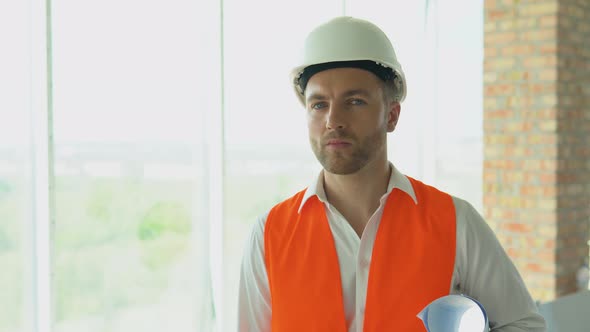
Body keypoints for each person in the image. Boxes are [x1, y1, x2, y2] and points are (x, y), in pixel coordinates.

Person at [237, 16, 546, 331]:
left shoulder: (455, 221)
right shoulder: (268, 235)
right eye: (319, 105)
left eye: (355, 101)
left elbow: (523, 325)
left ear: (392, 115)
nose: (333, 120)